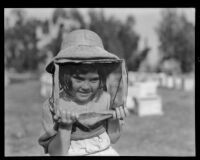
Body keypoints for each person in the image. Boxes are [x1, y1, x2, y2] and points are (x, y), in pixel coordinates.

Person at [38, 29, 129, 156]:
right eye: (79, 78)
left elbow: (113, 139)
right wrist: (65, 128)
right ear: (65, 76)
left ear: (101, 78)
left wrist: (114, 120)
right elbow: (56, 153)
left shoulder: (106, 99)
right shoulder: (51, 107)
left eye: (94, 79)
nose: (86, 86)